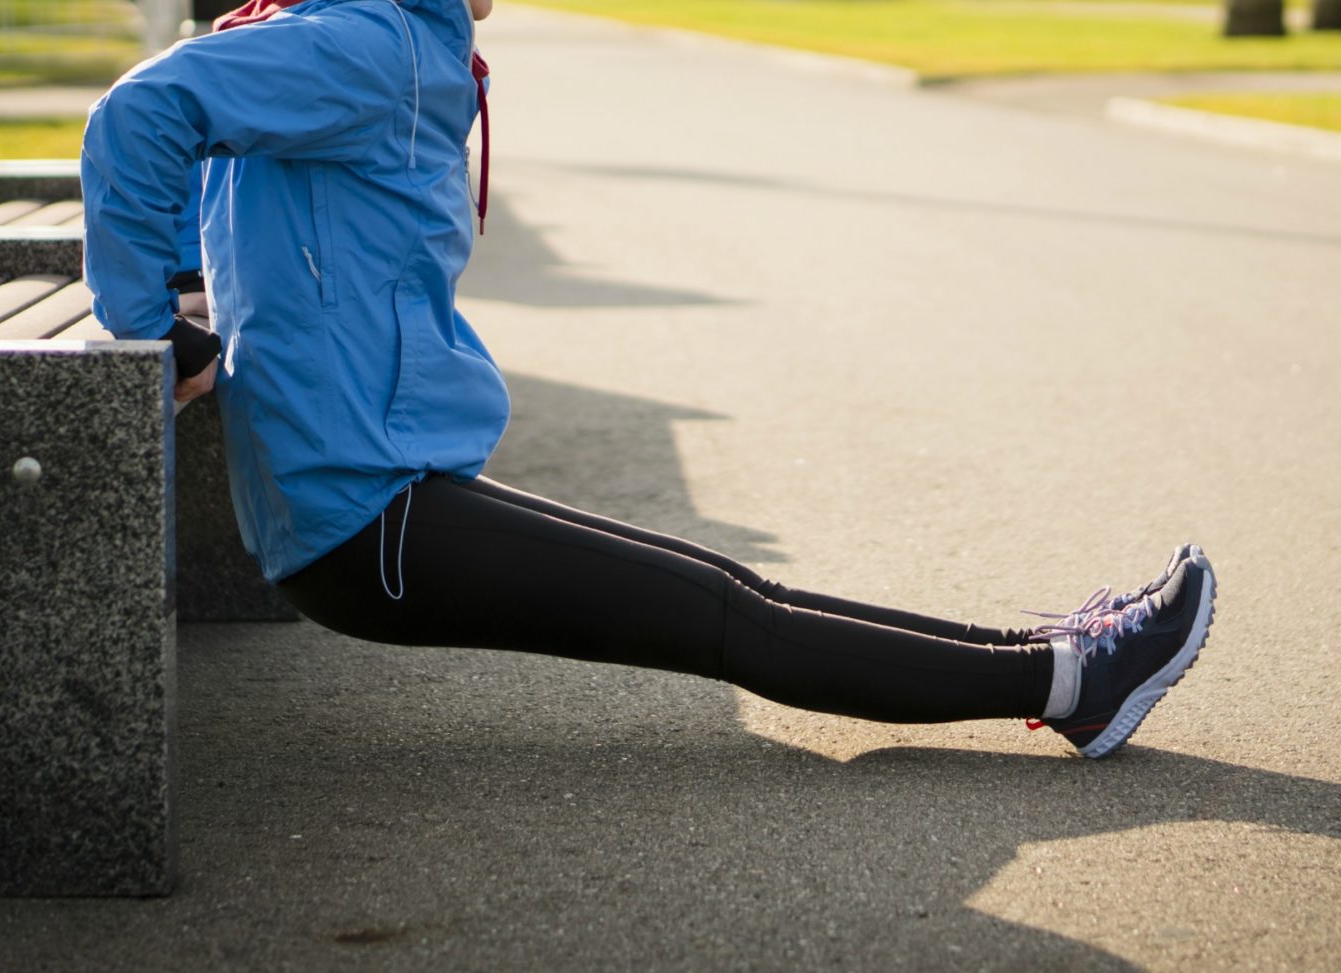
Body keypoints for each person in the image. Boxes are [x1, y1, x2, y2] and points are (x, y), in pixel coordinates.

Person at [80, 0, 1217, 759]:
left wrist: (190, 289)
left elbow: (187, 136)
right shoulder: (369, 42)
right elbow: (141, 115)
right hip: (363, 520)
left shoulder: (337, 30)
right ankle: (1076, 680)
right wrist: (156, 323)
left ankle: (1059, 661)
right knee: (732, 617)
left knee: (732, 594)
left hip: (368, 495)